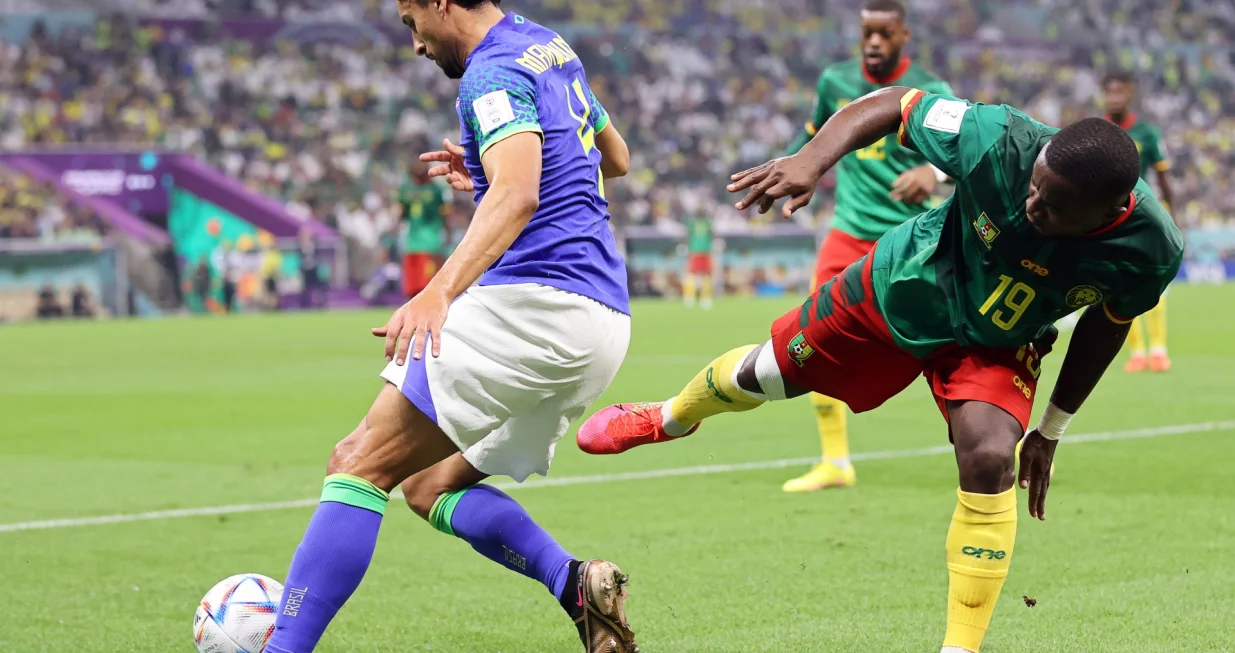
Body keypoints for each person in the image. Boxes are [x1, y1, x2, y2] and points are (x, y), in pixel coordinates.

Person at [578, 87, 1183, 653]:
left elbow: (1109, 323)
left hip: (999, 341)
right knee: (764, 376)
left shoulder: (1150, 248)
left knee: (991, 454)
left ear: (1110, 211)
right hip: (905, 284)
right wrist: (814, 160)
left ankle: (959, 645)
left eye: (1052, 207)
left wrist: (1050, 430)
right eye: (1033, 188)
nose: (1032, 206)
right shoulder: (999, 139)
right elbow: (898, 104)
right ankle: (669, 418)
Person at [265, 3, 638, 653]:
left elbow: (518, 195)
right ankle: (575, 584)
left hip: (534, 307)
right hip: (601, 320)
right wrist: (493, 173)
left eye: (413, 21)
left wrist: (436, 293)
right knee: (428, 485)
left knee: (357, 465)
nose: (414, 43)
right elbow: (616, 156)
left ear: (442, 1)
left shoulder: (488, 75)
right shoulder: (545, 44)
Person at [782, 0, 953, 493]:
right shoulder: (834, 82)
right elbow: (813, 135)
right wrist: (793, 166)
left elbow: (966, 149)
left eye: (884, 34)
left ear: (903, 35)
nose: (874, 43)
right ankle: (835, 461)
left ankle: (987, 441)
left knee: (941, 344)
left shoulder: (931, 90)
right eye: (867, 34)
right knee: (807, 332)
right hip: (848, 231)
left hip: (910, 239)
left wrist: (933, 171)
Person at [1102, 71, 1176, 373]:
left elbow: (1163, 178)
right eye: (1109, 92)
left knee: (1153, 281)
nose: (1114, 98)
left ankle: (1158, 350)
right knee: (1119, 285)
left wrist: (1174, 216)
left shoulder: (1147, 132)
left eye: (1119, 92)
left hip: (1143, 215)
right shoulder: (1097, 131)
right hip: (1108, 217)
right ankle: (1137, 352)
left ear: (1129, 94)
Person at [395, 160, 450, 298]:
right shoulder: (405, 189)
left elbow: (444, 214)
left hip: (431, 241)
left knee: (428, 282)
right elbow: (401, 213)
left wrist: (448, 232)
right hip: (412, 241)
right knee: (412, 284)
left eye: (422, 164)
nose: (418, 167)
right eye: (416, 163)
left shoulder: (436, 190)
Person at [681, 213, 714, 309]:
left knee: (707, 275)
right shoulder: (692, 222)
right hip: (695, 251)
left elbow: (712, 233)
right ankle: (689, 297)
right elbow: (687, 235)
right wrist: (685, 246)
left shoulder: (708, 222)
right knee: (691, 275)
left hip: (706, 251)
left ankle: (706, 298)